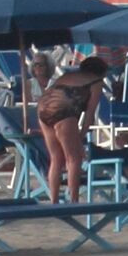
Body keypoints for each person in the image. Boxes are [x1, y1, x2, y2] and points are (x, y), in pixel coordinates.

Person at [38, 51, 105, 194]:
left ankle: (54, 202)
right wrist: (81, 136)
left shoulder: (66, 76)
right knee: (74, 158)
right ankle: (73, 202)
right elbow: (89, 113)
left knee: (56, 158)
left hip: (43, 108)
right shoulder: (96, 81)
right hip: (63, 110)